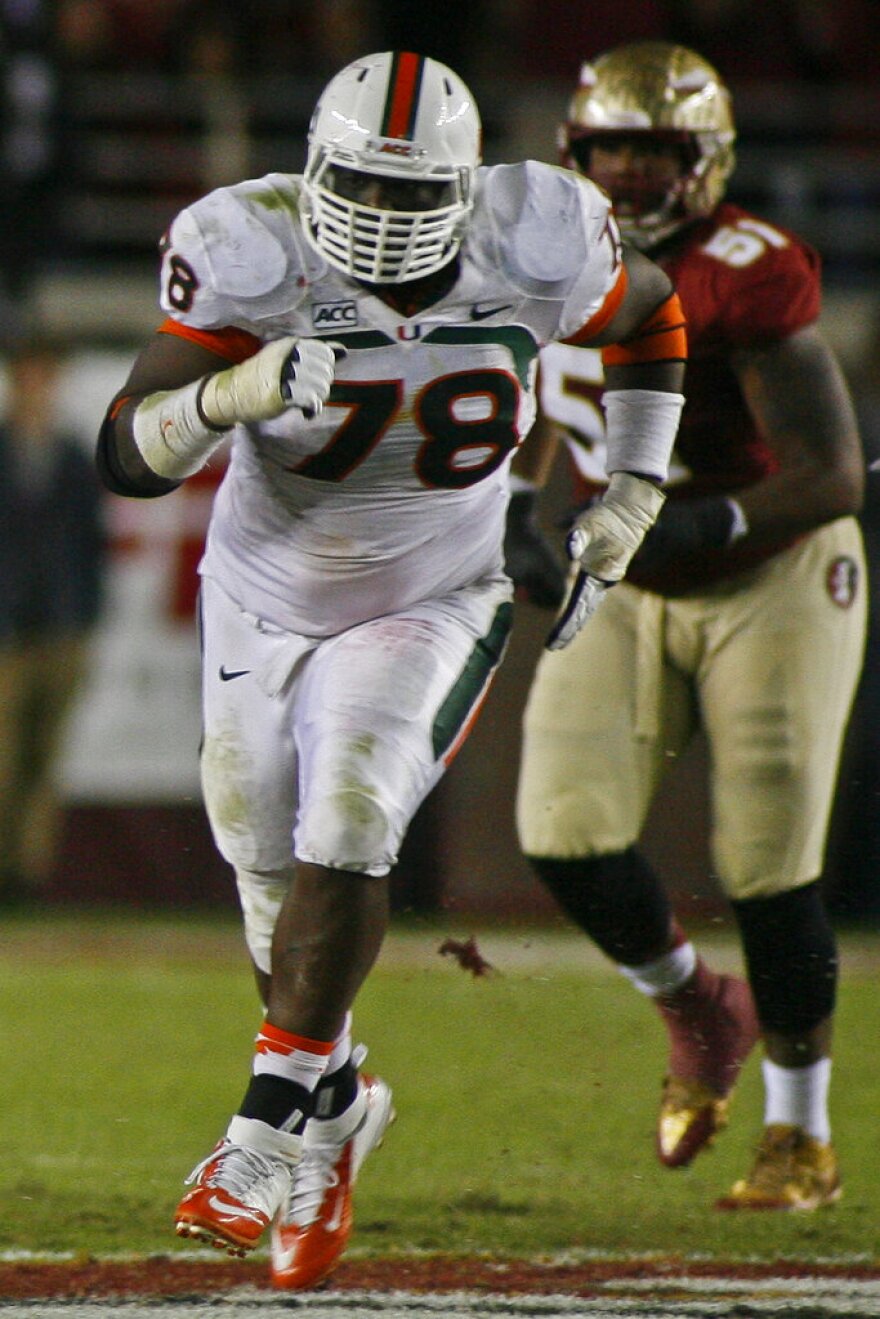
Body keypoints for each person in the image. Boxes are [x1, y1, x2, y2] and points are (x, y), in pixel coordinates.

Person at [96, 50, 688, 1288]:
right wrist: (230, 393)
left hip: (433, 589)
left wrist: (632, 488)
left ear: (468, 192)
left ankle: (260, 1128)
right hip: (263, 597)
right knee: (268, 872)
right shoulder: (249, 246)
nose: (380, 219)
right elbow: (123, 451)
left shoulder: (540, 235)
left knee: (352, 814)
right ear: (313, 167)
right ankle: (339, 1101)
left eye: (415, 196)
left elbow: (650, 314)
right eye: (360, 185)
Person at [508, 41, 866, 1210]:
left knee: (765, 863)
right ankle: (696, 1008)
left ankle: (799, 1132)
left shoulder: (742, 272)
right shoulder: (540, 256)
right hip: (633, 569)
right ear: (572, 150)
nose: (623, 174)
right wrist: (517, 505)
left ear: (700, 163)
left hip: (767, 565)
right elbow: (543, 403)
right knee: (561, 829)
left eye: (652, 153)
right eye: (608, 149)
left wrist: (702, 522)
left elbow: (831, 473)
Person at [0, 334, 105, 904]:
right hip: (6, 631)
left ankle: (26, 878)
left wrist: (86, 618)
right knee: (3, 752)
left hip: (61, 627)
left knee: (44, 756)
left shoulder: (69, 455)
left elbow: (92, 546)